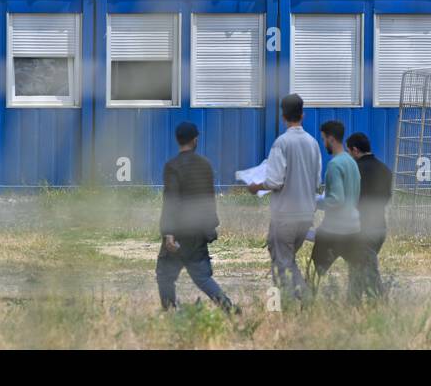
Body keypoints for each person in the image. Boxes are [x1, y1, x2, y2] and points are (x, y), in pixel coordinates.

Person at [248, 93, 322, 300]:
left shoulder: (281, 143)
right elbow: (317, 181)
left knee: (281, 263)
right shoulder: (313, 143)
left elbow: (274, 181)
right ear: (303, 115)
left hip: (285, 216)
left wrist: (256, 186)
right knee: (286, 260)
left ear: (283, 116)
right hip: (306, 215)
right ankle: (294, 303)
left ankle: (298, 301)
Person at [156, 122, 236, 312]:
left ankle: (170, 311)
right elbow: (209, 198)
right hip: (198, 231)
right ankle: (228, 307)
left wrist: (168, 232)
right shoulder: (205, 165)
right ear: (195, 140)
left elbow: (172, 200)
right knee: (202, 277)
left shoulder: (172, 166)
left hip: (179, 231)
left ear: (177, 140)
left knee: (165, 275)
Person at [310, 120, 369, 301]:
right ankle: (354, 308)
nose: (323, 144)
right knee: (357, 272)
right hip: (354, 228)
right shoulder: (352, 163)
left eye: (323, 139)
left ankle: (307, 306)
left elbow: (336, 200)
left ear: (331, 139)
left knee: (314, 274)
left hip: (334, 231)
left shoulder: (335, 165)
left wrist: (314, 202)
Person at [346, 132, 392, 297]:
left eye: (349, 152)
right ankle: (352, 305)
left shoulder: (355, 170)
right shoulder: (385, 169)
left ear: (355, 150)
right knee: (357, 267)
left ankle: (381, 304)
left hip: (361, 229)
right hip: (379, 227)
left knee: (368, 272)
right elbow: (386, 198)